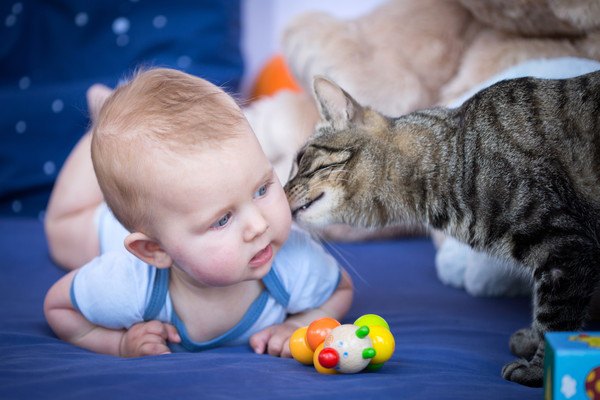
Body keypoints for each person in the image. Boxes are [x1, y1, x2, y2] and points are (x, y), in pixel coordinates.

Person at [43, 68, 353, 358]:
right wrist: (120, 344)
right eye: (222, 219)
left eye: (261, 189)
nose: (259, 225)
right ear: (155, 250)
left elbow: (340, 288)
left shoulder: (293, 265)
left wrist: (302, 324)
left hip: (169, 214)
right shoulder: (129, 284)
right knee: (61, 229)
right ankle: (102, 119)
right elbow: (59, 309)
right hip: (110, 230)